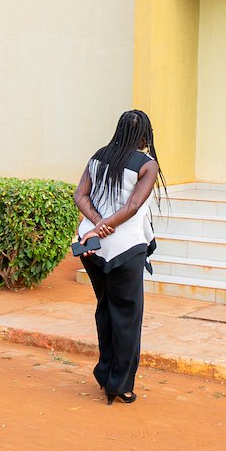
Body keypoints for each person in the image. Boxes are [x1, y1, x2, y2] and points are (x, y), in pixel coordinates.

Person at [73, 109, 165, 406]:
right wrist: (105, 227)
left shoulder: (99, 156)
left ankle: (105, 375)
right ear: (144, 136)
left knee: (106, 309)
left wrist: (96, 226)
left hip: (92, 246)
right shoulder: (146, 164)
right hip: (125, 248)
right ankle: (120, 386)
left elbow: (80, 196)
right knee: (126, 316)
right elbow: (134, 206)